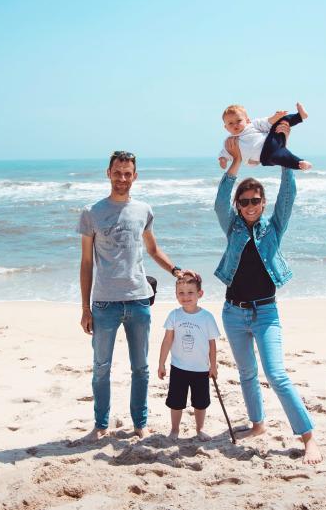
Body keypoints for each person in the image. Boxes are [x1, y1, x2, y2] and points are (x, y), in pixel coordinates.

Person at [213, 126, 322, 464]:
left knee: (276, 375)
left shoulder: (273, 228)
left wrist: (285, 158)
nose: (250, 205)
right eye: (244, 201)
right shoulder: (231, 226)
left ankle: (308, 438)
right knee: (246, 373)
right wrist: (234, 163)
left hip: (265, 313)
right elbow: (219, 203)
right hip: (233, 312)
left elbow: (287, 197)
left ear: (262, 203)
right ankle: (257, 424)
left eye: (255, 201)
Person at [78, 150, 191, 442]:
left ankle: (140, 423)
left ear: (135, 176)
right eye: (117, 172)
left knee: (140, 367)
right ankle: (100, 425)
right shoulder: (92, 212)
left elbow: (153, 250)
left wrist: (176, 270)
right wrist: (85, 308)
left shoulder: (143, 210)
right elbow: (87, 263)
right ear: (109, 173)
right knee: (101, 367)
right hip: (104, 303)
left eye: (128, 173)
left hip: (139, 299)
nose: (122, 178)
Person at [157, 274, 220, 441]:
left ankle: (200, 429)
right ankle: (175, 430)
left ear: (200, 294)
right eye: (181, 293)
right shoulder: (174, 315)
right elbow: (167, 340)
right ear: (176, 294)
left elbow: (212, 345)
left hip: (200, 369)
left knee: (200, 402)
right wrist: (161, 363)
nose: (185, 297)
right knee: (176, 402)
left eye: (190, 292)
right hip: (178, 367)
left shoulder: (206, 317)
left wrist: (213, 366)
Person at [218, 103, 312, 171]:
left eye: (239, 120)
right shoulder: (229, 141)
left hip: (271, 140)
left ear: (247, 120)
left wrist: (276, 116)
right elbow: (225, 152)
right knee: (283, 158)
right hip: (266, 156)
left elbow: (268, 122)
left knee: (280, 122)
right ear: (226, 127)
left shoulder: (253, 124)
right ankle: (300, 163)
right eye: (230, 123)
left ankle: (300, 116)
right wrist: (223, 159)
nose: (235, 125)